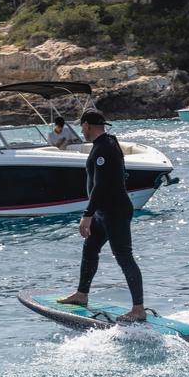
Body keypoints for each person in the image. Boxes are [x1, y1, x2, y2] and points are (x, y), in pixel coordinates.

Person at [58, 109, 146, 322]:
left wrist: (87, 214)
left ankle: (138, 309)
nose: (82, 131)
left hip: (114, 211)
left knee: (124, 256)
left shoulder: (104, 148)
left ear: (87, 125)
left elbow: (101, 185)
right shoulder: (107, 143)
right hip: (104, 211)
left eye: (82, 127)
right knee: (90, 249)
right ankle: (81, 295)